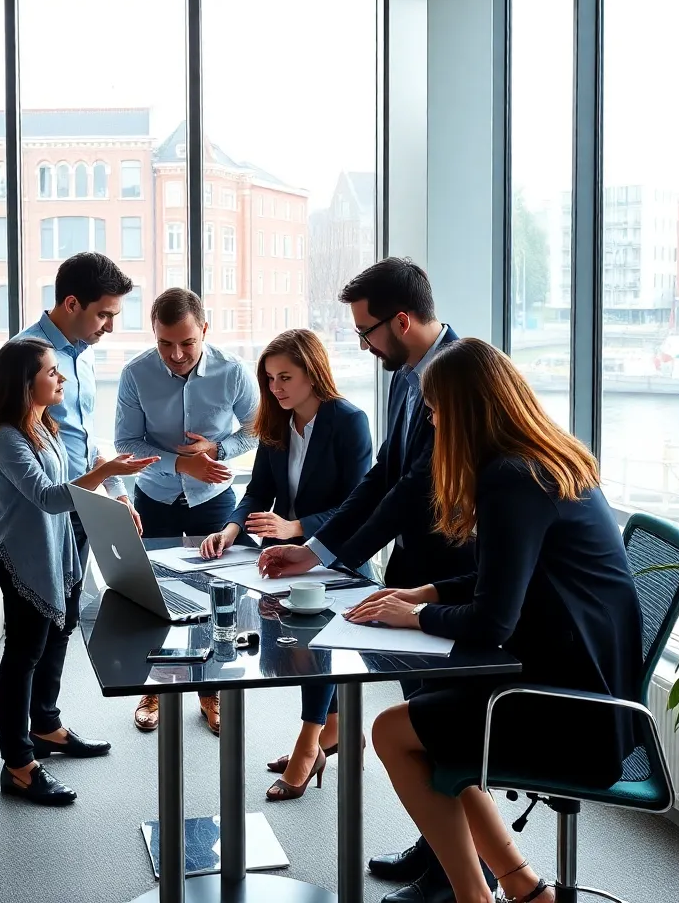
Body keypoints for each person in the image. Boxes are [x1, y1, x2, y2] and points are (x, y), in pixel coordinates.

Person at [346, 338, 644, 903]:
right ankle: (523, 888)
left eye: (435, 410)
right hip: (596, 693)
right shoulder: (546, 459)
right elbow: (509, 577)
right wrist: (425, 591)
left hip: (575, 714)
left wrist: (416, 616)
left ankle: (473, 896)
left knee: (392, 732)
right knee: (429, 723)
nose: (431, 420)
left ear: (463, 411)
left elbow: (492, 622)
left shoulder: (512, 479)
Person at [255, 259, 482, 888]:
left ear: (401, 320)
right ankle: (436, 844)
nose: (363, 344)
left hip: (454, 569)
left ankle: (453, 871)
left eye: (367, 331)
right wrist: (320, 549)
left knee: (442, 725)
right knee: (422, 716)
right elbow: (387, 473)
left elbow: (414, 488)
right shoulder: (407, 374)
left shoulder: (456, 376)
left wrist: (328, 552)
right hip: (418, 561)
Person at [0, 337, 157, 806]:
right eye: (51, 371)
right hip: (24, 559)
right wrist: (107, 472)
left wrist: (111, 477)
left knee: (56, 638)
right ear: (25, 383)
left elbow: (75, 478)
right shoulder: (5, 437)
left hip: (58, 552)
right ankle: (18, 765)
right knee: (23, 655)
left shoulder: (46, 426)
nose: (60, 378)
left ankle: (47, 727)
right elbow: (49, 496)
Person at [198, 329, 373, 800]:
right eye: (269, 378)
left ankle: (308, 743)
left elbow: (360, 504)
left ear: (312, 373)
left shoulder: (348, 421)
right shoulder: (276, 424)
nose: (275, 388)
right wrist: (233, 529)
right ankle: (336, 729)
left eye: (285, 377)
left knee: (311, 645)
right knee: (295, 645)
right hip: (289, 559)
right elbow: (256, 491)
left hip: (337, 557)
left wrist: (297, 529)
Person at [115, 287, 260, 735]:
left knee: (218, 596)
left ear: (205, 331)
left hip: (213, 500)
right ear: (154, 334)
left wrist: (217, 448)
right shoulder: (136, 373)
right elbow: (125, 444)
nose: (175, 354)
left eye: (186, 342)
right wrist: (181, 462)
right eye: (164, 343)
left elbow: (256, 428)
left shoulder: (233, 371)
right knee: (155, 594)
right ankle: (155, 688)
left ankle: (210, 692)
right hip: (154, 498)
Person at [18, 252, 142, 564]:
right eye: (103, 315)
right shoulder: (22, 355)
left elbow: (84, 438)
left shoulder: (84, 353)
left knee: (72, 609)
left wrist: (118, 493)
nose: (110, 327)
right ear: (72, 304)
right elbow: (10, 440)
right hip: (43, 515)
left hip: (84, 506)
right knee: (43, 609)